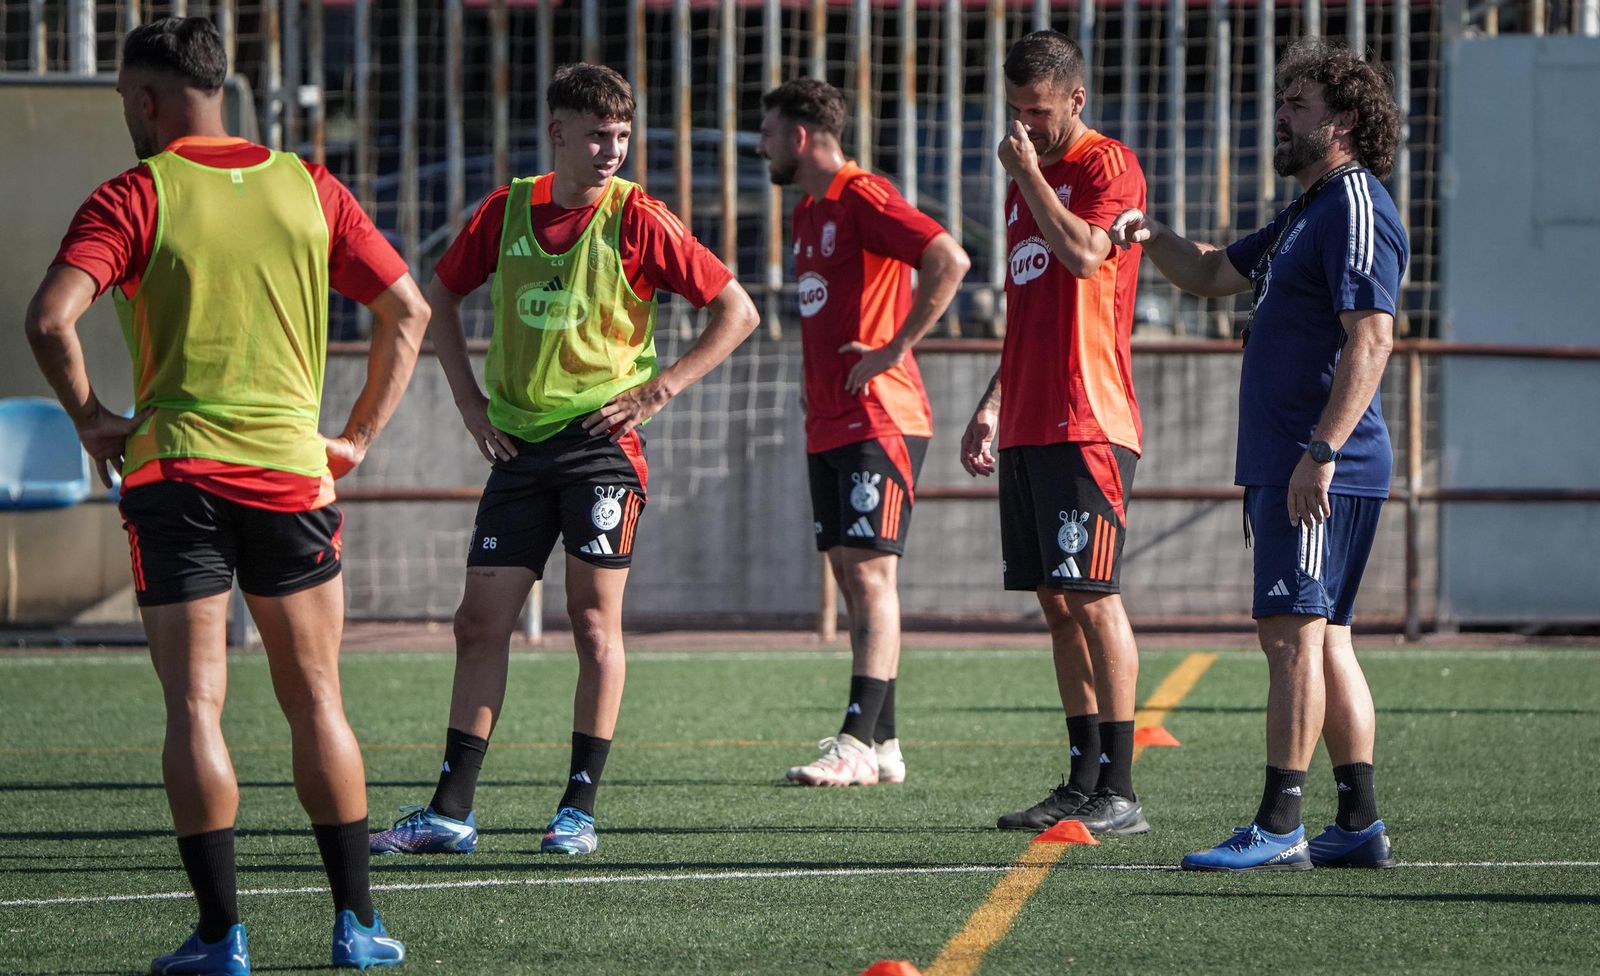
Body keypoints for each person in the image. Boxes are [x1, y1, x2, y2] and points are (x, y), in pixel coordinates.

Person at [23, 17, 428, 974]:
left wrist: (92, 418)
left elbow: (49, 320)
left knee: (196, 709)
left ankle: (220, 939)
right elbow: (407, 309)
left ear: (150, 99)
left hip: (177, 477)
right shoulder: (309, 185)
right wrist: (354, 439)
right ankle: (356, 929)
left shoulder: (135, 194)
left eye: (125, 100)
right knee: (317, 698)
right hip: (291, 474)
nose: (126, 115)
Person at [369, 64, 758, 858]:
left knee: (592, 622)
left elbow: (737, 310)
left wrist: (660, 389)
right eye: (597, 135)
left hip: (600, 451)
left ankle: (577, 809)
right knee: (478, 623)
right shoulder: (505, 209)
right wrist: (468, 402)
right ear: (557, 134)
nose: (612, 150)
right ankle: (450, 811)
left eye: (622, 136)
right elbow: (437, 297)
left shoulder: (640, 217)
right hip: (517, 449)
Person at [1109, 37, 1406, 871]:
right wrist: (1149, 233)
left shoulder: (1353, 204)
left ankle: (1280, 826)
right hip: (1297, 461)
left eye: (1298, 106)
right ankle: (1359, 824)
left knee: (1291, 637)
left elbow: (1373, 337)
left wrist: (1321, 451)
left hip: (1316, 466)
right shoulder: (1309, 209)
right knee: (1326, 637)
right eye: (1282, 102)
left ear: (1343, 121)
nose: (1281, 117)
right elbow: (1211, 274)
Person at [958, 31, 1150, 836]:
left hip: (1088, 416)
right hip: (1029, 418)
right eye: (1015, 111)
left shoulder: (1108, 165)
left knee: (1094, 597)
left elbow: (1082, 257)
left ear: (1075, 98)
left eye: (1037, 112)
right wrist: (992, 401)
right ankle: (1080, 779)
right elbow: (1029, 310)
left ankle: (1122, 790)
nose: (1024, 126)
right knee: (1055, 602)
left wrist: (1029, 176)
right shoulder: (1023, 184)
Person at [755, 79, 970, 787]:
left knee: (872, 574)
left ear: (799, 137)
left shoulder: (864, 195)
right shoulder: (807, 211)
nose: (760, 146)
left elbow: (949, 258)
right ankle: (883, 743)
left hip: (881, 415)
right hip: (829, 421)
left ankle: (853, 740)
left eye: (767, 133)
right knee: (852, 576)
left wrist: (893, 349)